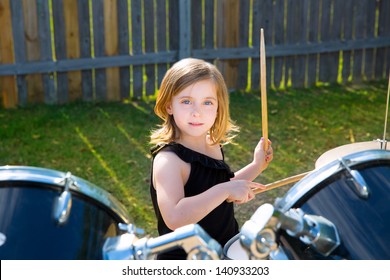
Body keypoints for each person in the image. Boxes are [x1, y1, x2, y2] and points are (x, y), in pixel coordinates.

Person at [149, 58, 273, 259]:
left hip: (224, 247)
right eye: (186, 101)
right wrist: (225, 190)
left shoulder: (212, 144)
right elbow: (175, 217)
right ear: (169, 105)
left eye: (207, 102)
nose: (197, 112)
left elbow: (220, 188)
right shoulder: (169, 160)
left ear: (218, 108)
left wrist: (257, 165)